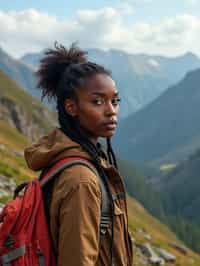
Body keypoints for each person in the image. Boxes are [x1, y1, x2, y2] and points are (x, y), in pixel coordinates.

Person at [24, 42, 133, 266]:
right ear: (71, 107)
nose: (111, 111)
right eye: (98, 101)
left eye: (115, 101)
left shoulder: (80, 161)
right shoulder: (81, 180)